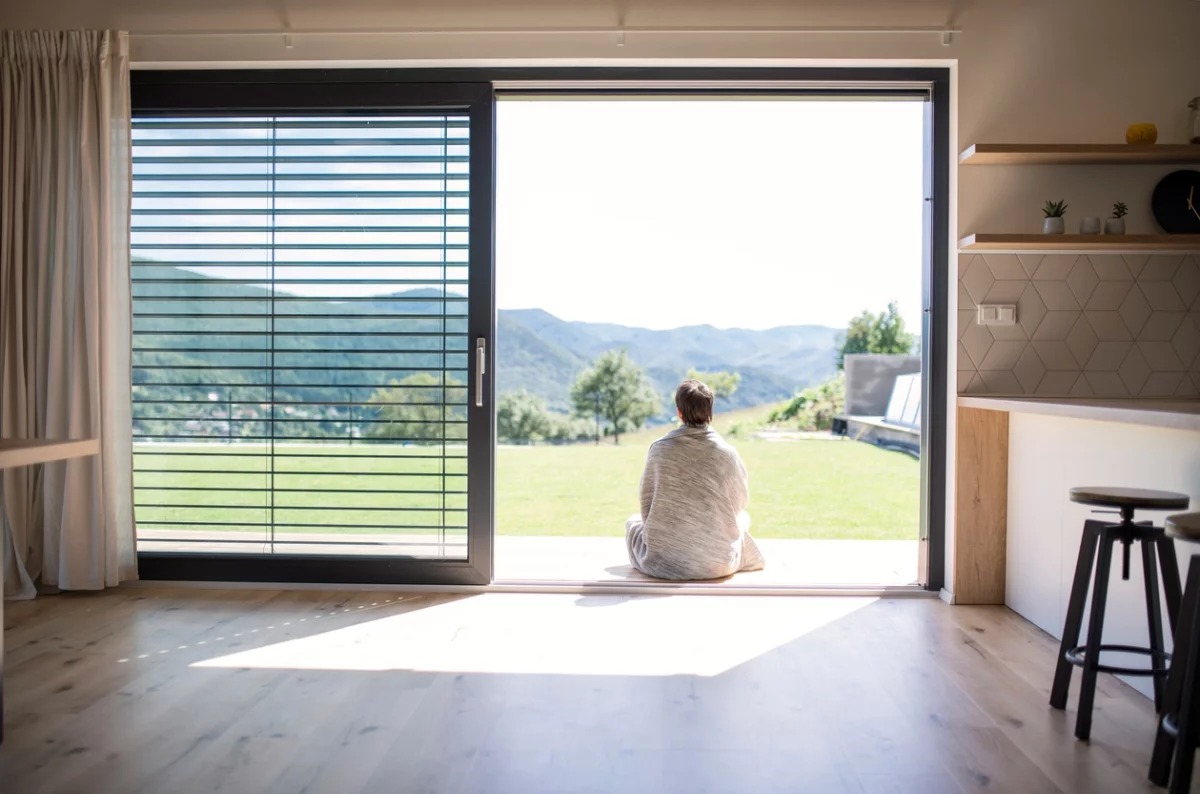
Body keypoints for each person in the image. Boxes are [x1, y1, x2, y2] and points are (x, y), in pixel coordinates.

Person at [624, 379, 765, 581]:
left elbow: (647, 501)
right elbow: (740, 501)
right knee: (743, 519)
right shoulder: (727, 453)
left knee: (633, 522)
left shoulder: (660, 449)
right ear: (710, 412)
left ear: (679, 412)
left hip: (664, 562)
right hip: (717, 563)